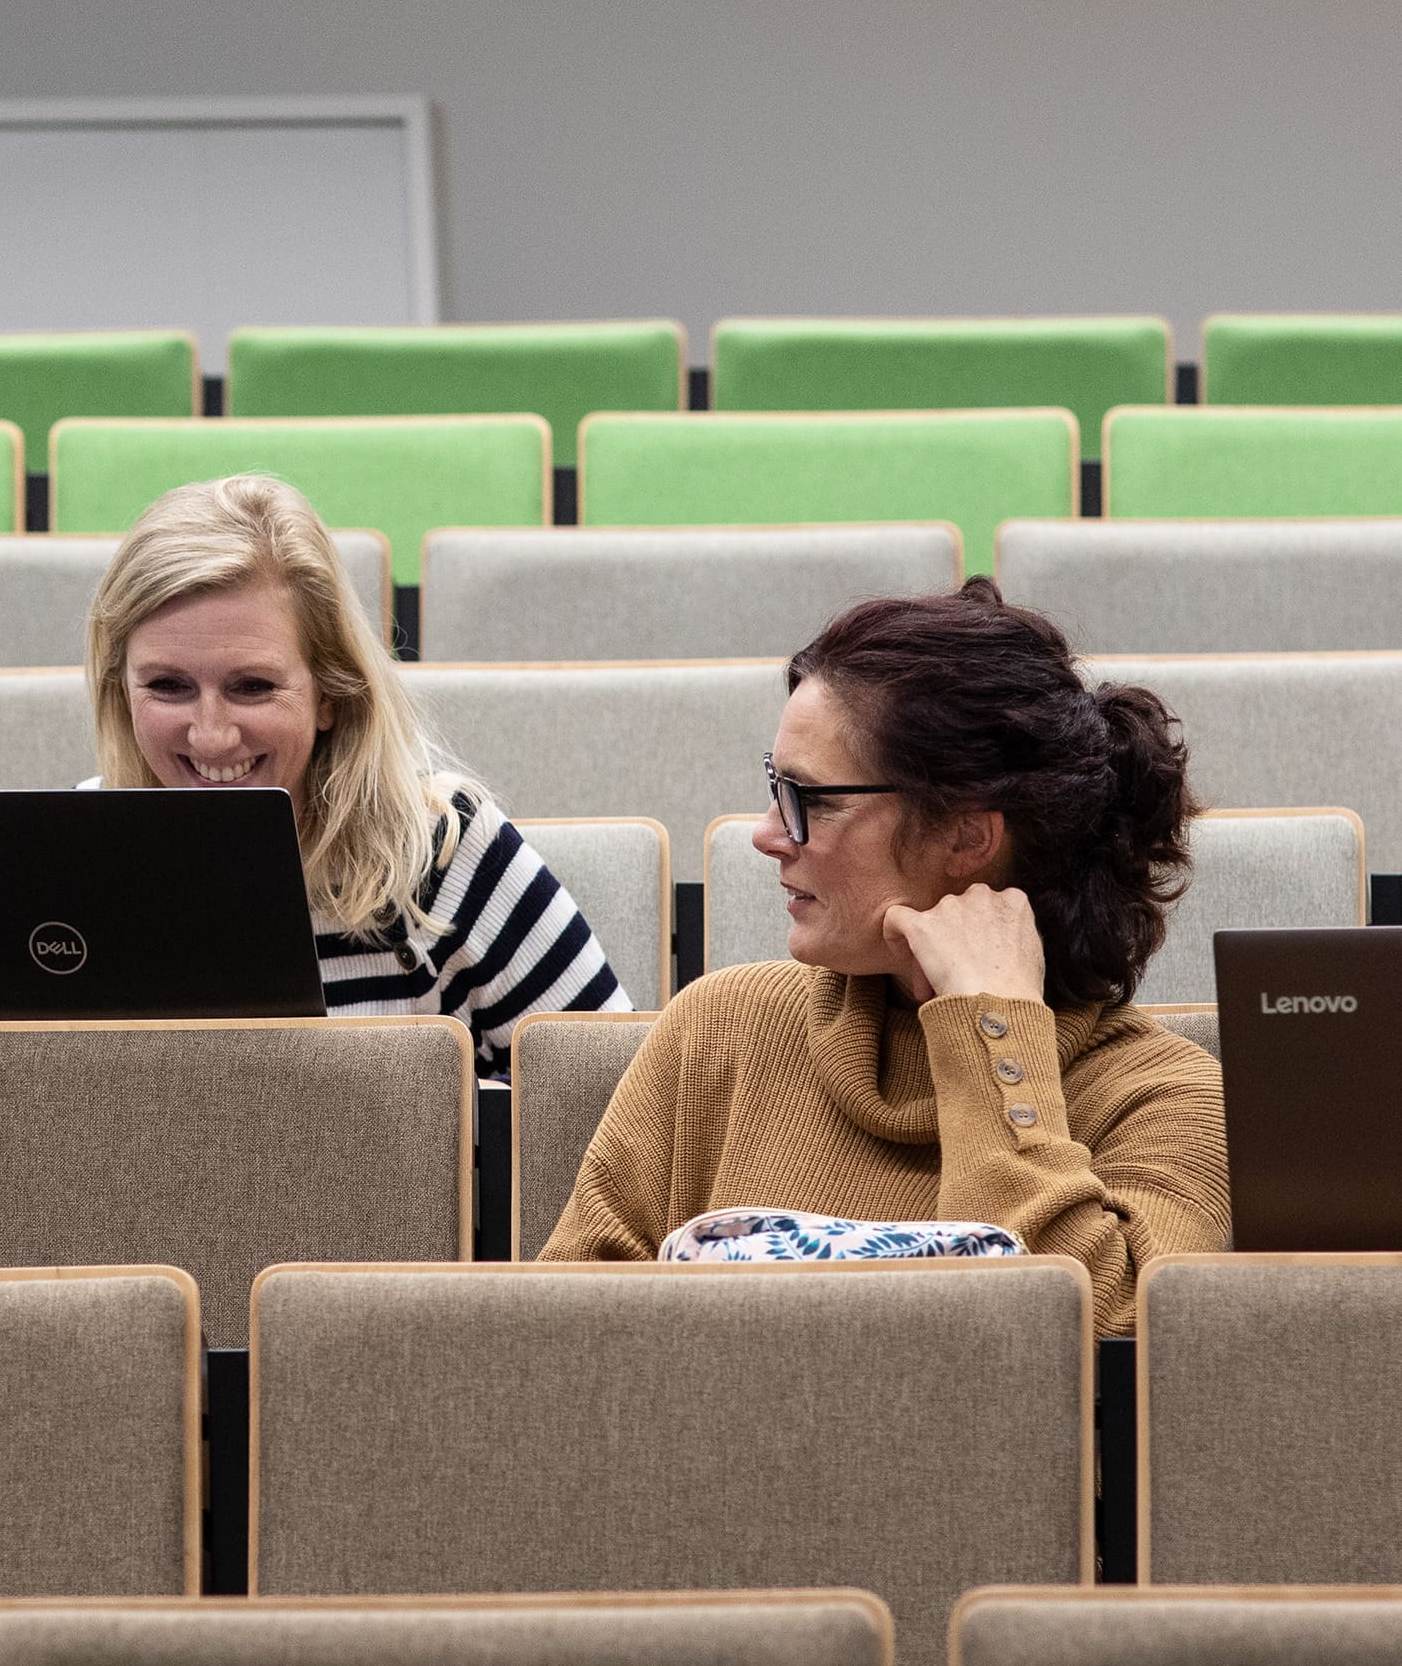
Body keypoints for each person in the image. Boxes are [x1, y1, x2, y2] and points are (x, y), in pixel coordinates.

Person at [539, 578, 1228, 1334]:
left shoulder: (1171, 1100)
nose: (767, 833)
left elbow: (1102, 1353)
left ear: (967, 838)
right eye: (775, 786)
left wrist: (992, 1031)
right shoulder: (721, 1030)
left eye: (812, 799)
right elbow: (561, 1355)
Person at [82, 475, 630, 1070]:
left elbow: (619, 1107)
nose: (211, 734)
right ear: (121, 690)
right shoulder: (72, 854)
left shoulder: (444, 850)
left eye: (253, 687)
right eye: (168, 687)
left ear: (330, 695)